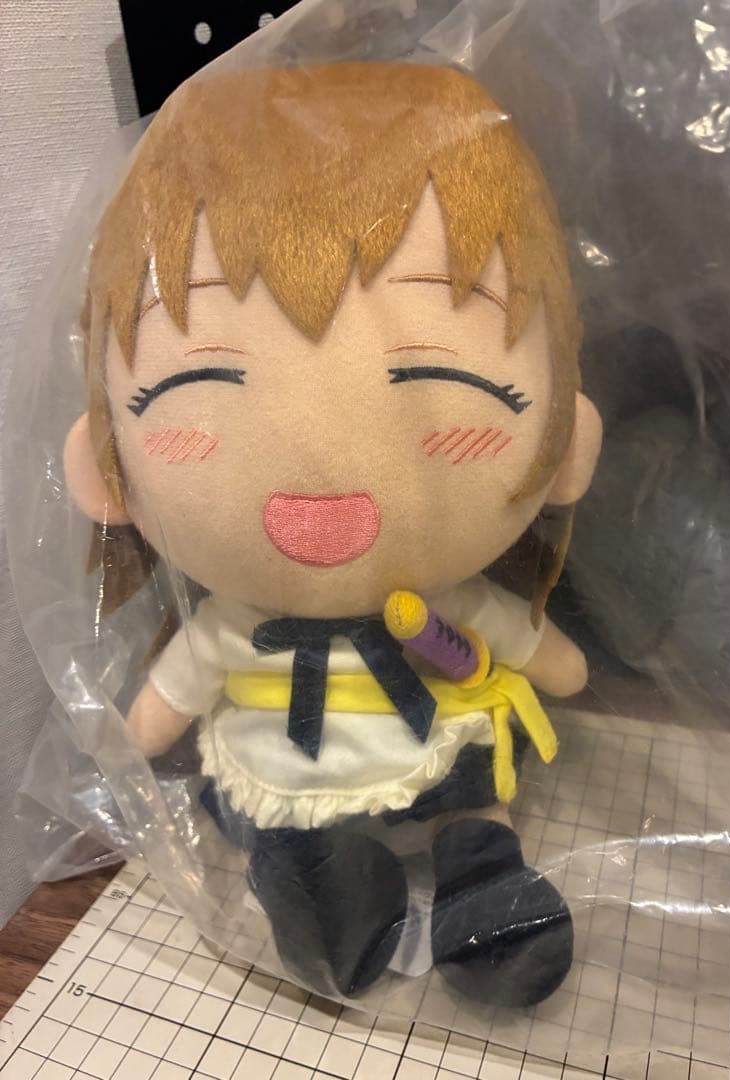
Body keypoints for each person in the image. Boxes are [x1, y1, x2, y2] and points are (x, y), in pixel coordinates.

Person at [63, 62, 602, 1005]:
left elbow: (547, 661)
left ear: (568, 444)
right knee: (296, 851)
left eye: (441, 383)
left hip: (439, 754)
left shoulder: (444, 605)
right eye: (199, 385)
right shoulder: (231, 625)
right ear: (105, 471)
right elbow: (158, 712)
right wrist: (131, 741)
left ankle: (479, 868)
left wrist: (551, 663)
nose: (318, 469)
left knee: (471, 804)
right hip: (286, 777)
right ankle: (326, 889)